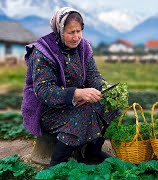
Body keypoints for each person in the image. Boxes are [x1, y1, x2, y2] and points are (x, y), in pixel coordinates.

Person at [21, 7, 120, 167]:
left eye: (79, 31)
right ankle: (57, 163)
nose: (76, 37)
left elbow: (93, 74)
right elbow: (44, 91)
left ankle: (92, 152)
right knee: (83, 114)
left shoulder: (83, 47)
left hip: (75, 101)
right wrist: (78, 93)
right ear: (59, 31)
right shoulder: (42, 52)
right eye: (70, 32)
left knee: (110, 105)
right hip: (46, 108)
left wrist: (103, 88)